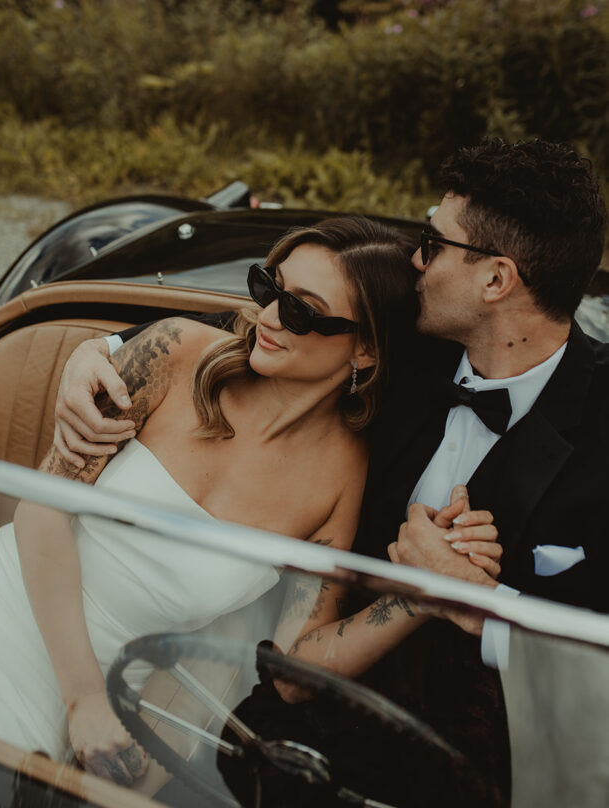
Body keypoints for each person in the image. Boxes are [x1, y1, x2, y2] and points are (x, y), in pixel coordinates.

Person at [55, 138, 608, 803]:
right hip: (292, 726)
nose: (415, 258)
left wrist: (479, 607)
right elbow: (288, 317)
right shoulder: (409, 339)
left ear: (494, 280)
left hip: (489, 773)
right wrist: (102, 350)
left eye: (432, 245)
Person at [0, 216, 491, 789]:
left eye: (301, 310)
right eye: (269, 288)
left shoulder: (342, 476)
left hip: (86, 710)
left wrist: (421, 597)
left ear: (365, 350)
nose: (268, 317)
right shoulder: (175, 352)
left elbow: (296, 667)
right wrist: (84, 700)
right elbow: (42, 512)